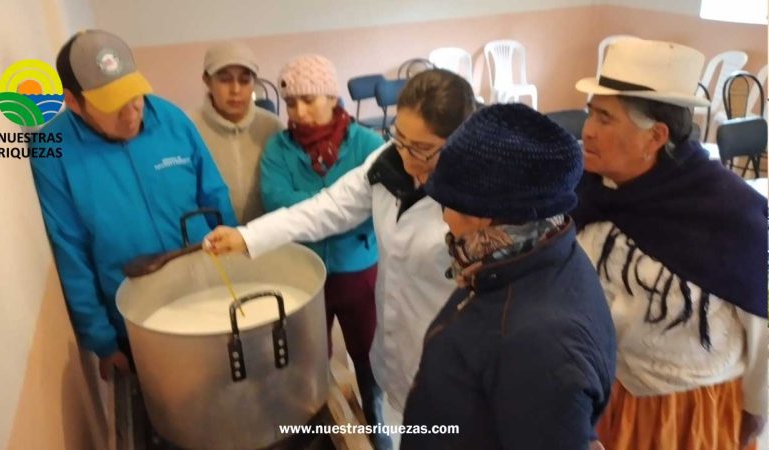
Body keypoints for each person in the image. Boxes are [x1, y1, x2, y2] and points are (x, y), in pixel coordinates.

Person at [205, 69, 477, 416]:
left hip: (451, 361)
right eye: (400, 139)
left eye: (422, 149)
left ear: (461, 141)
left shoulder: (476, 203)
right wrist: (247, 236)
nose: (407, 159)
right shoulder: (386, 166)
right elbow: (326, 208)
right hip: (396, 349)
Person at [572, 38, 768, 450]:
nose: (587, 131)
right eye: (590, 113)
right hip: (600, 398)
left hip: (690, 413)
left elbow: (762, 321)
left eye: (605, 118)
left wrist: (756, 406)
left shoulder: (729, 213)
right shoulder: (584, 193)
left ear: (655, 136)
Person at [399, 103, 616, 449]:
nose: (444, 219)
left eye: (447, 204)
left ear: (484, 216)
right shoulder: (543, 252)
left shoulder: (539, 346)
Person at [31, 30, 237, 380]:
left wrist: (238, 270)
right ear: (73, 102)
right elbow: (71, 252)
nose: (131, 113)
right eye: (113, 104)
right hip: (140, 323)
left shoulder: (171, 118)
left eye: (135, 96)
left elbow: (216, 198)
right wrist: (103, 342)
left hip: (210, 294)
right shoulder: (53, 152)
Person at [261, 53, 386, 443]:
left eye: (309, 99)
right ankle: (320, 431)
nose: (298, 111)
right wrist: (339, 203)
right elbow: (275, 199)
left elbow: (374, 206)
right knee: (310, 360)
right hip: (305, 276)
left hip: (359, 268)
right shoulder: (278, 149)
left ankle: (379, 424)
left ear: (333, 98)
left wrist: (314, 207)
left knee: (369, 355)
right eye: (291, 102)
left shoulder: (368, 142)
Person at [190, 41, 283, 223]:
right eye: (224, 79)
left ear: (254, 82)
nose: (235, 90)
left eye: (244, 80)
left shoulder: (272, 127)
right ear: (207, 80)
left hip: (267, 241)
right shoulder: (189, 128)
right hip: (212, 242)